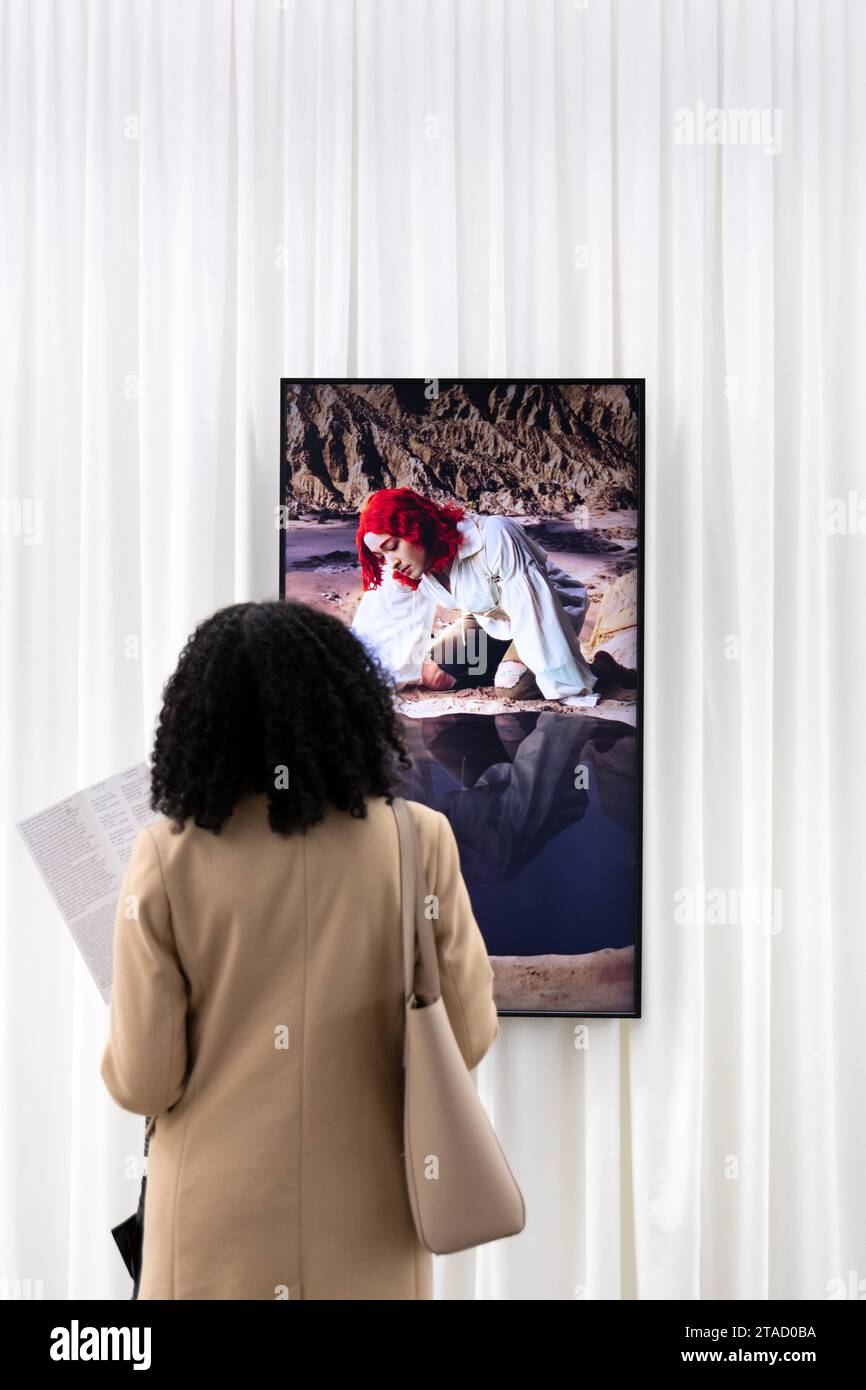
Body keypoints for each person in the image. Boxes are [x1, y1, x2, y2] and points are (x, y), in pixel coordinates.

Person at [99, 599, 498, 1300]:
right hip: (372, 1224)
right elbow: (465, 1036)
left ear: (200, 719)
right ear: (345, 705)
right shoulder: (419, 838)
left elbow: (145, 1082)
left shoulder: (166, 856)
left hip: (212, 1231)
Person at [350, 487, 604, 707]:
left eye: (393, 546)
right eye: (380, 555)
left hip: (547, 604)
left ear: (416, 527)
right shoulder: (406, 567)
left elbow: (534, 611)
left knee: (511, 687)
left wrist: (571, 689)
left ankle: (593, 671)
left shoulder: (494, 536)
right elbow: (380, 625)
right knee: (434, 675)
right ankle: (511, 660)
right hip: (489, 614)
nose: (390, 562)